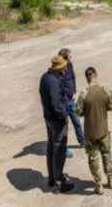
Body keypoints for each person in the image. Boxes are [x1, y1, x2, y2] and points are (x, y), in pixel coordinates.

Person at [76, 67, 112, 195]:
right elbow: (111, 106)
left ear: (87, 78)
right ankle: (111, 180)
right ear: (96, 75)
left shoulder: (84, 93)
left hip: (90, 133)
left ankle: (99, 185)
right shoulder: (105, 89)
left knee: (93, 159)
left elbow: (79, 112)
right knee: (106, 154)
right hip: (103, 130)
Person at [39, 55, 74, 194]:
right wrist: (64, 115)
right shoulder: (54, 81)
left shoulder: (45, 77)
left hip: (48, 118)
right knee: (59, 151)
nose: (66, 67)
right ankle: (59, 183)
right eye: (64, 65)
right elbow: (56, 103)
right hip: (56, 120)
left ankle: (52, 179)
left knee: (51, 148)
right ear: (59, 67)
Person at [59, 48, 85, 155]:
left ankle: (83, 141)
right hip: (63, 103)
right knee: (63, 128)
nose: (71, 58)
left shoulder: (70, 65)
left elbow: (73, 78)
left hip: (71, 99)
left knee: (77, 122)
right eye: (69, 57)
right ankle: (63, 148)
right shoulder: (58, 69)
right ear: (64, 58)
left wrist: (74, 91)